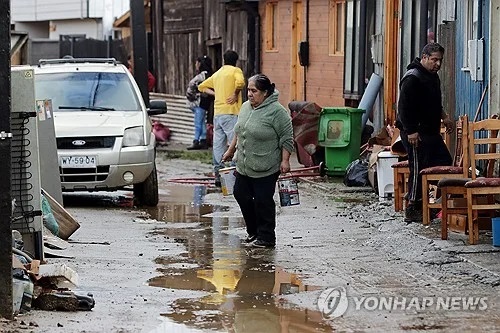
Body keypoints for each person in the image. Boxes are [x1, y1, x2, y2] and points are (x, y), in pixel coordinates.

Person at [222, 74, 294, 248]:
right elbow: (238, 131)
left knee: (263, 201)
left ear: (266, 93)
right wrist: (231, 151)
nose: (249, 94)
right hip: (244, 164)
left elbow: (287, 138)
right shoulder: (246, 107)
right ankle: (253, 231)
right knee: (240, 194)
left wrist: (285, 160)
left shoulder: (278, 112)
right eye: (248, 90)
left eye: (254, 91)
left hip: (266, 166)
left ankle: (267, 237)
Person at [396, 42, 454, 223]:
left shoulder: (432, 76)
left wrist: (444, 117)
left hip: (431, 132)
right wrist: (411, 131)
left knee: (445, 161)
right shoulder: (412, 78)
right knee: (418, 167)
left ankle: (434, 202)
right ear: (424, 58)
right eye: (434, 60)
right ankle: (413, 207)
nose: (437, 64)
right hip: (415, 134)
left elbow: (435, 103)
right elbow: (404, 108)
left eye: (440, 60)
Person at [198, 50, 245, 187]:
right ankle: (234, 174)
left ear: (224, 60)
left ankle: (218, 175)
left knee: (218, 145)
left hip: (218, 114)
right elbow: (241, 83)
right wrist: (236, 94)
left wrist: (216, 93)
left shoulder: (217, 74)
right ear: (236, 61)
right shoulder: (236, 71)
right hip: (232, 112)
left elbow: (202, 86)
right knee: (234, 144)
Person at [185, 56, 214, 150]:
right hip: (204, 102)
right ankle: (203, 140)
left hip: (199, 102)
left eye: (197, 63)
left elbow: (192, 84)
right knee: (201, 122)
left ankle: (196, 141)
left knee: (198, 122)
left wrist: (193, 95)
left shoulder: (202, 76)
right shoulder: (210, 75)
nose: (196, 65)